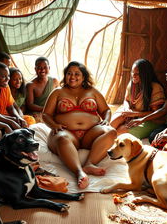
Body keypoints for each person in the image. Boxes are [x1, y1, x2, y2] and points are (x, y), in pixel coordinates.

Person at [42, 61, 117, 189]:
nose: (72, 77)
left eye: (77, 74)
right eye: (69, 73)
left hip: (90, 134)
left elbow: (106, 110)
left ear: (83, 77)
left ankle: (89, 164)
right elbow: (45, 115)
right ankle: (79, 172)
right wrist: (54, 125)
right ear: (65, 76)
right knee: (62, 138)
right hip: (67, 133)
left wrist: (106, 120)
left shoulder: (92, 91)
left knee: (111, 132)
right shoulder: (57, 92)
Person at [127, 58, 167, 143]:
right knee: (153, 137)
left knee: (158, 140)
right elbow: (164, 109)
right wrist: (142, 119)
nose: (166, 74)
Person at [110, 59, 166, 139]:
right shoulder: (132, 84)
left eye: (137, 74)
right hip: (133, 112)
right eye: (132, 72)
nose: (134, 75)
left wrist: (135, 114)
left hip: (150, 120)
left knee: (120, 132)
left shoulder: (155, 88)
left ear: (145, 74)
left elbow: (156, 113)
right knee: (112, 124)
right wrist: (127, 108)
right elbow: (126, 100)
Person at [0, 62, 27, 127]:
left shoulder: (6, 87)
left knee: (29, 120)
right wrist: (12, 120)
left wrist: (18, 117)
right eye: (4, 76)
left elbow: (10, 107)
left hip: (4, 117)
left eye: (8, 76)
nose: (8, 79)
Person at [26, 57, 59, 122]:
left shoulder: (54, 81)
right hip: (37, 113)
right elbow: (30, 105)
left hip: (52, 112)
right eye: (39, 68)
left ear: (49, 68)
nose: (42, 70)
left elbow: (59, 98)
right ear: (35, 69)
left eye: (45, 67)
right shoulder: (30, 85)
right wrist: (46, 109)